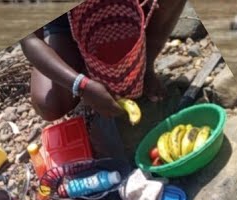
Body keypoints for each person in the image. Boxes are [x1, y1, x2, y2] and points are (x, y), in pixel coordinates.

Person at [22, 0, 188, 121]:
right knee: (49, 105)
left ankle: (145, 68)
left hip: (119, 7)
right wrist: (81, 85)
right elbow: (29, 40)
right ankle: (86, 67)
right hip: (65, 25)